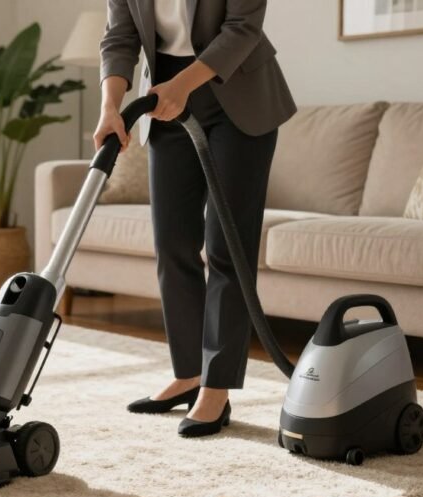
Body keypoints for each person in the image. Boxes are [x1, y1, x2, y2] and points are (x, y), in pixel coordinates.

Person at [94, 0, 296, 437]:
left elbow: (243, 27)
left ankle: (217, 386)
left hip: (237, 93)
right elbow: (120, 36)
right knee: (172, 242)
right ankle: (188, 374)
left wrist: (183, 85)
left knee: (226, 247)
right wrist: (111, 104)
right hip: (163, 98)